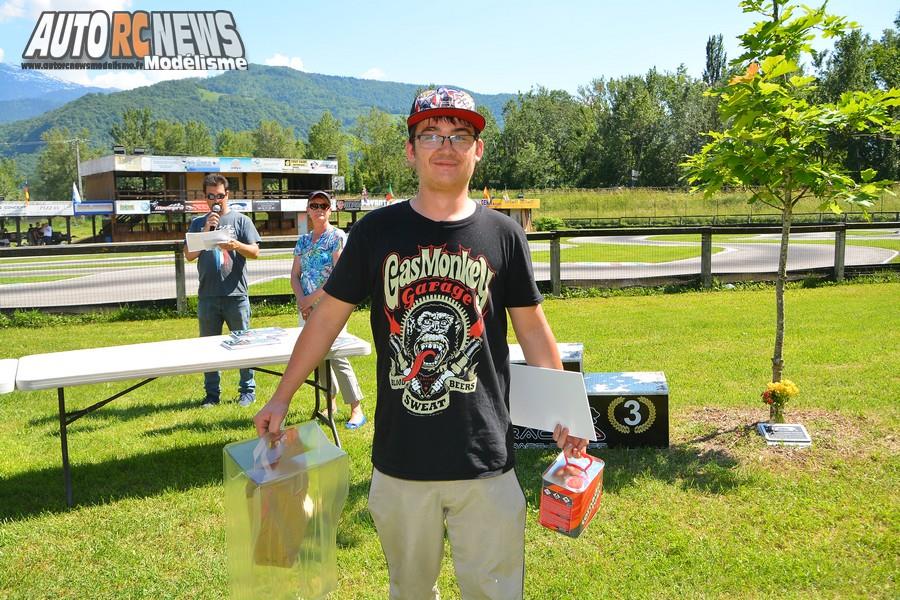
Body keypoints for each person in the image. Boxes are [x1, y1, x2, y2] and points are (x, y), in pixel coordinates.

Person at [254, 86, 586, 599]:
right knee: (409, 590)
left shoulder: (502, 234)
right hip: (402, 460)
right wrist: (282, 395)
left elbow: (533, 330)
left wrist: (568, 413)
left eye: (460, 135)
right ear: (411, 150)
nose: (446, 146)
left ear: (478, 150)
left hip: (486, 458)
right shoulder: (374, 232)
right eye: (431, 134)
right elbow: (325, 321)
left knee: (495, 591)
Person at [185, 173, 261, 408]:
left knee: (242, 346)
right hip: (208, 296)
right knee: (208, 348)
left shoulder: (241, 221)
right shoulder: (199, 223)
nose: (215, 200)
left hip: (236, 295)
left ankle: (247, 391)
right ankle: (212, 394)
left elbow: (255, 252)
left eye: (220, 195)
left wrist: (236, 245)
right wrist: (206, 231)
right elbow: (188, 255)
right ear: (205, 197)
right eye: (210, 196)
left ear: (227, 195)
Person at [291, 190, 366, 429]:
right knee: (317, 356)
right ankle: (330, 402)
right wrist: (302, 300)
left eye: (324, 205)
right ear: (308, 210)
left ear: (330, 210)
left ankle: (356, 408)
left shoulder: (337, 237)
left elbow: (337, 274)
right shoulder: (302, 241)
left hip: (331, 305)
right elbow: (295, 275)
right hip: (306, 308)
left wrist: (311, 298)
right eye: (315, 205)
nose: (319, 209)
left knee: (337, 355)